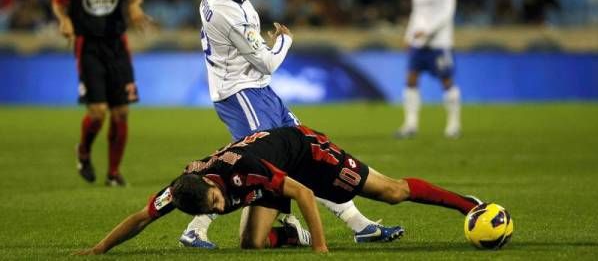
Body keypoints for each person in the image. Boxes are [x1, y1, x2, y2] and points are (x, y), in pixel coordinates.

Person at [180, 0, 402, 249]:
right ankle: (196, 227)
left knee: (308, 153)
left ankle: (360, 224)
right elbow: (267, 61)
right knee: (254, 166)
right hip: (241, 94)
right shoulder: (232, 15)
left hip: (258, 91)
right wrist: (285, 40)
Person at [74, 124, 484, 255]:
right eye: (212, 210)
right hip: (272, 173)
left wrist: (321, 248)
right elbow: (141, 218)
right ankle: (287, 234)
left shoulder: (242, 169)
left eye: (216, 202)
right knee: (251, 245)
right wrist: (97, 249)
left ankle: (468, 205)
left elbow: (303, 192)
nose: (217, 210)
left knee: (391, 191)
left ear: (211, 183)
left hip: (306, 152)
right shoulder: (184, 188)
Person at [51, 0, 152, 186]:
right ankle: (83, 150)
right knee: (97, 112)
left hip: (117, 44)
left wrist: (136, 12)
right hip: (88, 45)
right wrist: (64, 21)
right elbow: (59, 2)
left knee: (121, 112)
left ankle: (114, 174)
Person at [395, 0, 461, 139]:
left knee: (446, 80)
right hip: (418, 42)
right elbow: (416, 13)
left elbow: (447, 13)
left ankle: (453, 124)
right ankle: (411, 125)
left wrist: (428, 31)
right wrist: (409, 35)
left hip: (440, 43)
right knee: (410, 79)